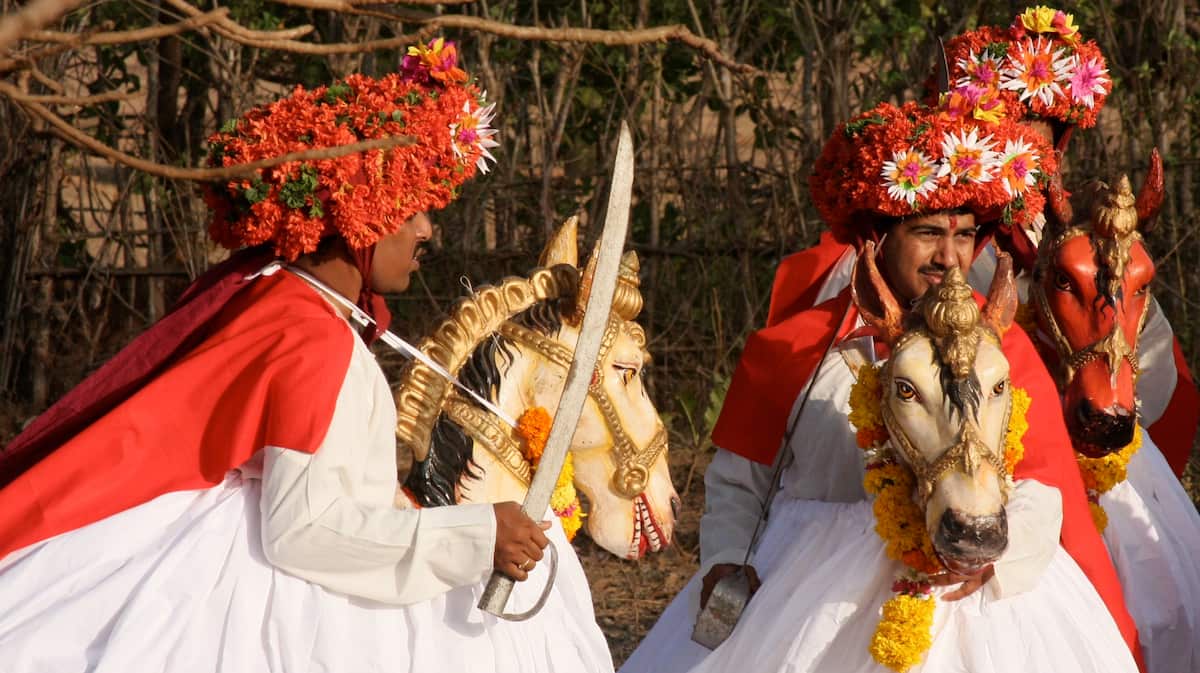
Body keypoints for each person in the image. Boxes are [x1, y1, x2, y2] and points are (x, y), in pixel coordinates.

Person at [0, 39, 613, 673]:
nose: (428, 230)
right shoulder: (311, 335)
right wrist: (478, 535)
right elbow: (302, 527)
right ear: (362, 211)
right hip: (274, 593)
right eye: (414, 208)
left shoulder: (283, 303)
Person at [619, 101, 1140, 673]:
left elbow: (1042, 487)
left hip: (986, 604)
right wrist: (723, 560)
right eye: (927, 234)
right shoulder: (796, 350)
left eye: (965, 236)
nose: (950, 257)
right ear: (876, 241)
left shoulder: (1004, 349)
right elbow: (738, 482)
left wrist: (1000, 554)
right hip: (807, 598)